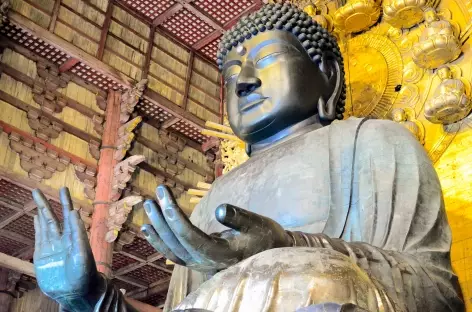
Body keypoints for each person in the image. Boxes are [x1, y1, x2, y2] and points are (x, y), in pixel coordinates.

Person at [32, 3, 463, 312]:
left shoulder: (375, 144)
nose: (245, 82)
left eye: (268, 59)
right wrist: (90, 297)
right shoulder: (215, 197)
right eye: (233, 74)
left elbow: (437, 296)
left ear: (327, 76)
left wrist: (292, 247)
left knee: (310, 279)